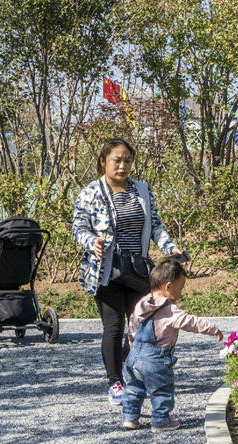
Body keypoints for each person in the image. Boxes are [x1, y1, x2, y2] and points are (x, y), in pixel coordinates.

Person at [72, 138, 184, 405]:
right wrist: (93, 242)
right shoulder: (90, 192)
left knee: (142, 325)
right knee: (113, 327)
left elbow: (156, 225)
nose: (122, 166)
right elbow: (78, 228)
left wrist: (171, 249)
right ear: (103, 162)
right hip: (106, 270)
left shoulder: (142, 191)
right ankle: (115, 383)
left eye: (128, 161)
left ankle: (127, 369)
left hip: (137, 270)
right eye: (116, 160)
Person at [122, 259, 223, 432]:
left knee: (133, 388)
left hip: (133, 357)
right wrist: (213, 329)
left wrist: (132, 346)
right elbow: (191, 322)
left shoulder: (142, 303)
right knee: (161, 390)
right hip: (155, 360)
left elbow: (132, 325)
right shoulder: (169, 310)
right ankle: (160, 421)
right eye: (181, 287)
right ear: (168, 286)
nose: (181, 292)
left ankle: (130, 418)